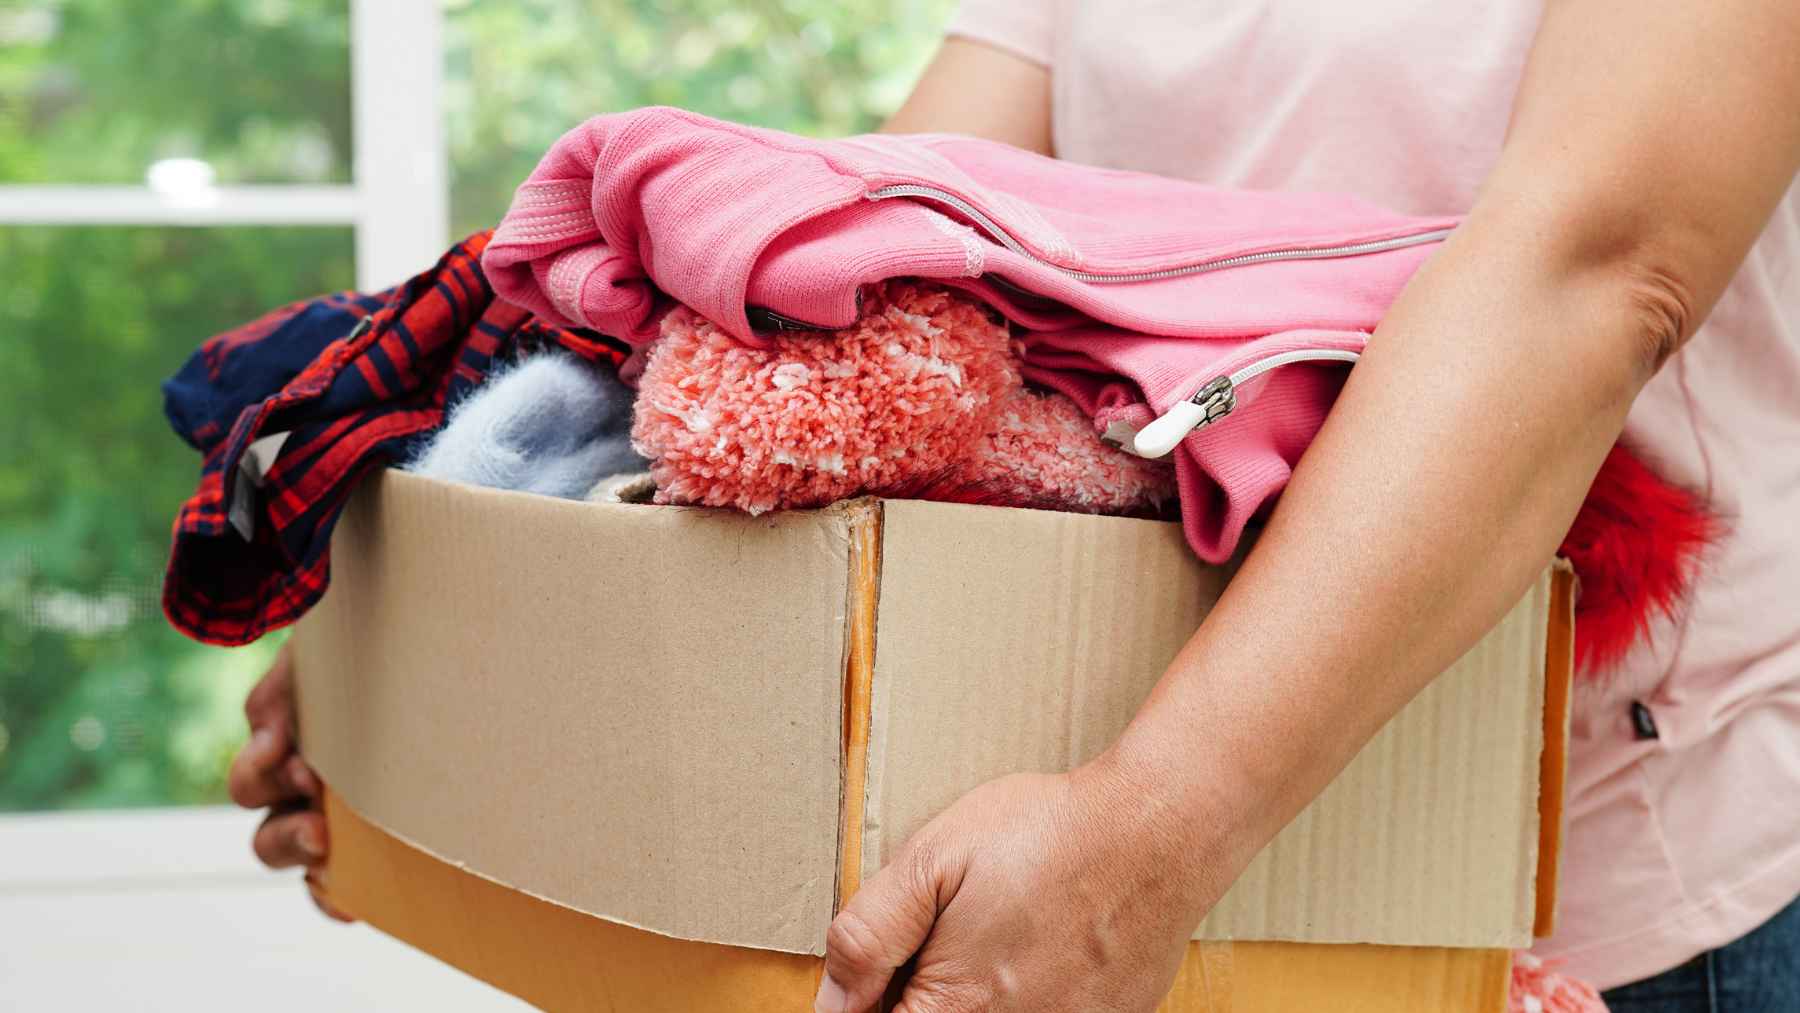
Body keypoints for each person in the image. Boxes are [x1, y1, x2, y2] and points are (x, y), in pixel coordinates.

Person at [229, 1, 1800, 1009]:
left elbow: (1601, 268)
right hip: (1106, 873)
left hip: (1586, 896)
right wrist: (442, 660)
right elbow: (883, 233)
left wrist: (1153, 831)